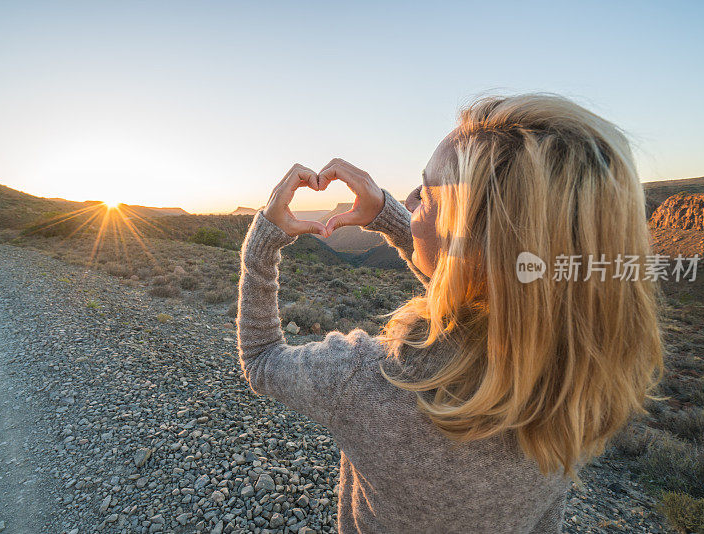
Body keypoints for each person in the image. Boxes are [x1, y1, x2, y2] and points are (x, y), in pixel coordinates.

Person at [236, 94, 664, 533]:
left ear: (470, 242)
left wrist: (263, 245)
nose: (410, 197)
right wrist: (392, 219)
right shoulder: (586, 380)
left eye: (427, 194)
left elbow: (262, 360)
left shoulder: (366, 379)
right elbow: (494, 290)